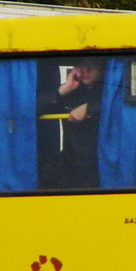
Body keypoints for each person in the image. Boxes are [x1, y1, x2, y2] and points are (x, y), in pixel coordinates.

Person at [38, 59, 105, 188]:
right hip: (73, 166)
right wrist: (64, 89)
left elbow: (123, 108)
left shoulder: (111, 92)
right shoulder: (71, 91)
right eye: (81, 64)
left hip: (102, 165)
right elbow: (28, 112)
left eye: (93, 65)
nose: (86, 70)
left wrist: (90, 108)